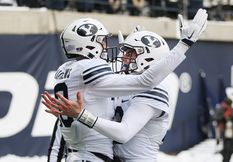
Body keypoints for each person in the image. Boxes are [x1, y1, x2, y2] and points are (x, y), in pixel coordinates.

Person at [43, 9, 207, 162]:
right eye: (125, 52)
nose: (122, 57)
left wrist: (183, 45)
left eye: (130, 53)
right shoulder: (111, 83)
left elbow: (124, 132)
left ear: (148, 58)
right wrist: (73, 117)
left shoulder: (155, 89)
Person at [213, 97, 233, 162]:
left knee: (231, 147)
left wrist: (230, 117)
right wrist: (224, 117)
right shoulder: (220, 109)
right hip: (223, 130)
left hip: (231, 131)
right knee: (227, 147)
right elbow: (216, 117)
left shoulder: (231, 110)